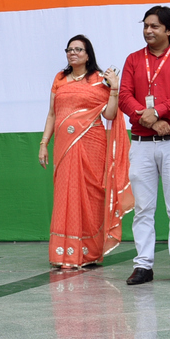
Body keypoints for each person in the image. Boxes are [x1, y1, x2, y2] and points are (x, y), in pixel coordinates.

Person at [118, 6, 170, 286]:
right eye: (146, 26)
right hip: (141, 144)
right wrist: (151, 121)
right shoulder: (132, 60)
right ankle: (143, 265)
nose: (148, 31)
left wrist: (160, 111)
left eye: (154, 26)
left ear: (168, 30)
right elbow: (124, 97)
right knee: (143, 208)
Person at [38, 35, 133, 269]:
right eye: (69, 49)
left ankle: (89, 252)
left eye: (78, 49)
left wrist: (115, 88)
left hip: (92, 144)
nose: (73, 53)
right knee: (65, 193)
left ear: (88, 54)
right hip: (64, 145)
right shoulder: (60, 79)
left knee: (91, 195)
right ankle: (64, 253)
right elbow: (52, 114)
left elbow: (110, 115)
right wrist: (43, 143)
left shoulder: (100, 80)